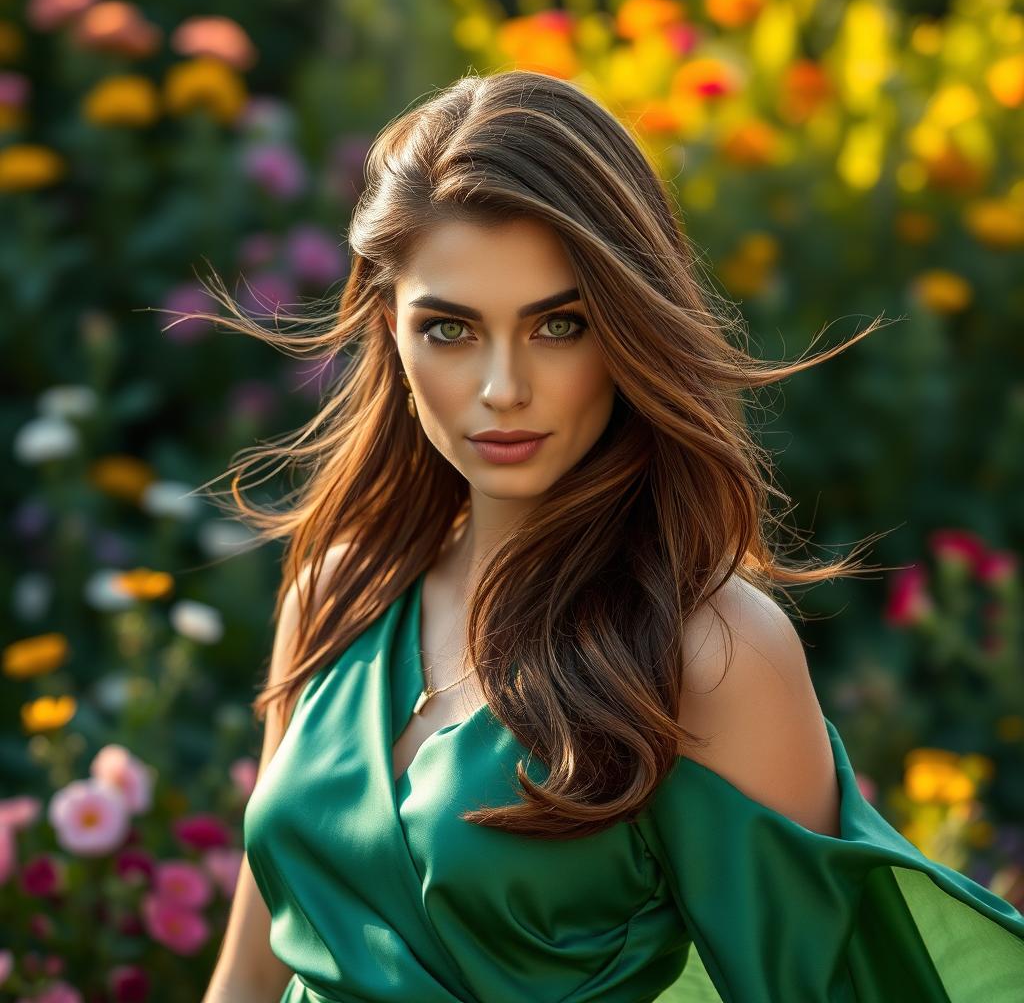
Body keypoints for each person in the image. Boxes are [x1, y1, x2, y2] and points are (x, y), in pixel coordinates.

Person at [198, 69, 1024, 1003]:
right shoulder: (334, 591)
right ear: (390, 330)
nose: (503, 387)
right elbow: (249, 971)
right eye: (451, 328)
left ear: (628, 327)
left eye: (559, 325)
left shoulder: (710, 651)